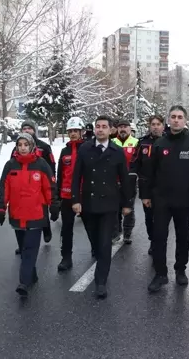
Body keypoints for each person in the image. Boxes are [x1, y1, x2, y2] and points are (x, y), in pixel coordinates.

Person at [141, 105, 189, 293]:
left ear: (185, 120)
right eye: (173, 117)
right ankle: (160, 274)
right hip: (161, 200)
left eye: (180, 117)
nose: (176, 120)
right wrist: (145, 195)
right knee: (159, 237)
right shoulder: (160, 144)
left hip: (184, 199)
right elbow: (149, 172)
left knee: (182, 236)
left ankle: (181, 270)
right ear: (168, 120)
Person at [71, 115, 131, 299]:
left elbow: (125, 179)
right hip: (88, 203)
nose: (100, 129)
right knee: (95, 241)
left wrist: (127, 203)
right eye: (98, 126)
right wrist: (75, 199)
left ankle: (100, 282)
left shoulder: (117, 151)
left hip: (109, 204)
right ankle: (99, 259)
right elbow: (76, 176)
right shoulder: (85, 149)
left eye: (104, 126)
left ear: (110, 130)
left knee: (105, 243)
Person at [0, 133, 59, 297]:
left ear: (32, 146)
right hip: (17, 214)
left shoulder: (41, 165)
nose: (23, 147)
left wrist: (54, 206)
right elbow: (4, 189)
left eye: (26, 144)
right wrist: (1, 208)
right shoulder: (10, 166)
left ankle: (23, 282)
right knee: (24, 249)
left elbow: (50, 188)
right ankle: (32, 274)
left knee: (30, 249)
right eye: (20, 145)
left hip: (36, 215)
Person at [10, 120, 56, 251]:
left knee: (42, 211)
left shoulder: (44, 147)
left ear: (34, 130)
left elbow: (51, 165)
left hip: (41, 184)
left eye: (29, 128)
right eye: (24, 128)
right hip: (24, 185)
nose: (26, 130)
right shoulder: (17, 148)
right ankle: (23, 243)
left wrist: (52, 181)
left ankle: (46, 230)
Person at [55, 117, 86, 272]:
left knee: (91, 227)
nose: (73, 134)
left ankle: (96, 249)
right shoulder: (64, 151)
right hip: (66, 196)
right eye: (70, 131)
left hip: (84, 196)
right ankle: (66, 257)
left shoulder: (87, 148)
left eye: (76, 131)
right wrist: (57, 195)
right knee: (66, 228)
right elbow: (60, 174)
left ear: (81, 132)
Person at [132, 114, 166, 255]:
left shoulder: (168, 141)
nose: (156, 127)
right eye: (153, 124)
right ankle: (152, 240)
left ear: (163, 126)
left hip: (164, 188)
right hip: (147, 187)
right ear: (149, 126)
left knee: (162, 218)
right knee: (149, 218)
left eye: (158, 124)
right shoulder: (143, 143)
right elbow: (135, 163)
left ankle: (160, 243)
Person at [112, 119, 139, 244]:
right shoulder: (112, 142)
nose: (123, 129)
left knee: (128, 208)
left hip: (130, 182)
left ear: (130, 129)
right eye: (120, 127)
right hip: (113, 182)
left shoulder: (136, 143)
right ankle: (116, 232)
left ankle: (127, 233)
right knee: (114, 208)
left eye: (125, 127)